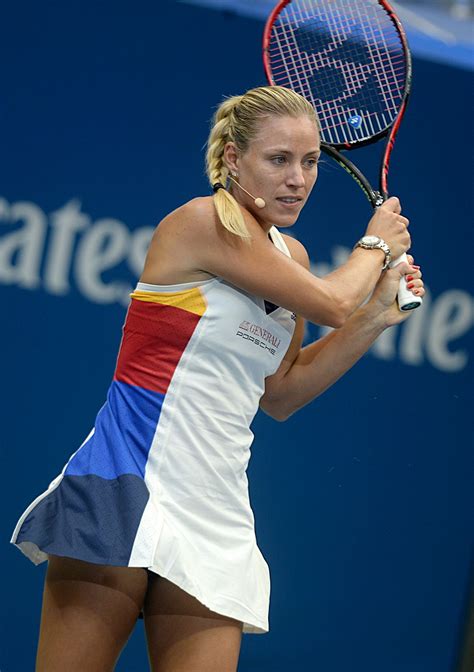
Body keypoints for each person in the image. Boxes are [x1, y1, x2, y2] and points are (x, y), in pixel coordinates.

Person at [11, 85, 424, 672]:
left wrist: (379, 313)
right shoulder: (201, 222)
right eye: (279, 159)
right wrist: (378, 242)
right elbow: (334, 302)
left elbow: (280, 394)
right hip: (125, 484)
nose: (298, 179)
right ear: (233, 159)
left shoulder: (295, 259)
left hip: (216, 512)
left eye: (309, 162)